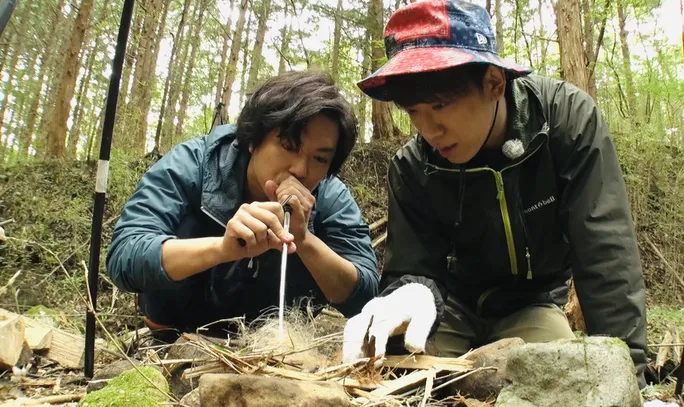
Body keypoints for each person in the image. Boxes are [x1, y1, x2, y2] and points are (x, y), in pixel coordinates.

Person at [342, 0, 648, 388]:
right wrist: (410, 293)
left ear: (494, 82)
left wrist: (630, 380)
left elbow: (606, 252)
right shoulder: (411, 166)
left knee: (558, 384)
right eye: (413, 111)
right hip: (447, 306)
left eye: (439, 105)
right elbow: (414, 267)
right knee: (400, 383)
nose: (428, 130)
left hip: (531, 303)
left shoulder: (566, 122)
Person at [107, 70, 379, 339]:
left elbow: (368, 296)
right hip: (175, 332)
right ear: (252, 140)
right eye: (288, 145)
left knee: (321, 251)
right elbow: (124, 257)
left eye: (319, 159)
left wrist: (305, 240)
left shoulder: (330, 196)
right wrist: (222, 249)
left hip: (272, 345)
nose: (300, 169)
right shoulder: (193, 164)